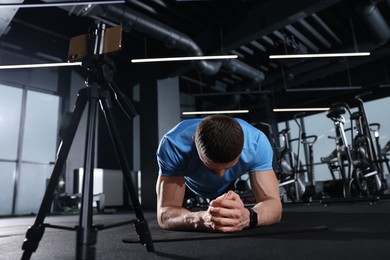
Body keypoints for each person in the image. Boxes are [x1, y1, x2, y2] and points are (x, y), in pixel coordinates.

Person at [155, 114, 282, 233]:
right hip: (188, 185)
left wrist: (249, 217)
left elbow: (273, 204)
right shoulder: (174, 144)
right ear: (194, 141)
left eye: (228, 167)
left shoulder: (256, 143)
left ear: (242, 147)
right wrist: (201, 219)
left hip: (228, 186)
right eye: (211, 168)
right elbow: (165, 214)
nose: (220, 175)